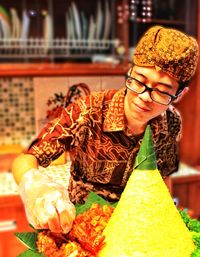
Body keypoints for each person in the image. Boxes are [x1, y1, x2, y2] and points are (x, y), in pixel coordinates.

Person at [12, 25, 199, 234]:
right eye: (139, 80)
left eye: (162, 91)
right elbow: (26, 159)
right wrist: (37, 188)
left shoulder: (170, 122)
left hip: (135, 228)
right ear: (129, 71)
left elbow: (161, 176)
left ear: (180, 94)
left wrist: (164, 215)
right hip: (83, 225)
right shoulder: (88, 111)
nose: (144, 97)